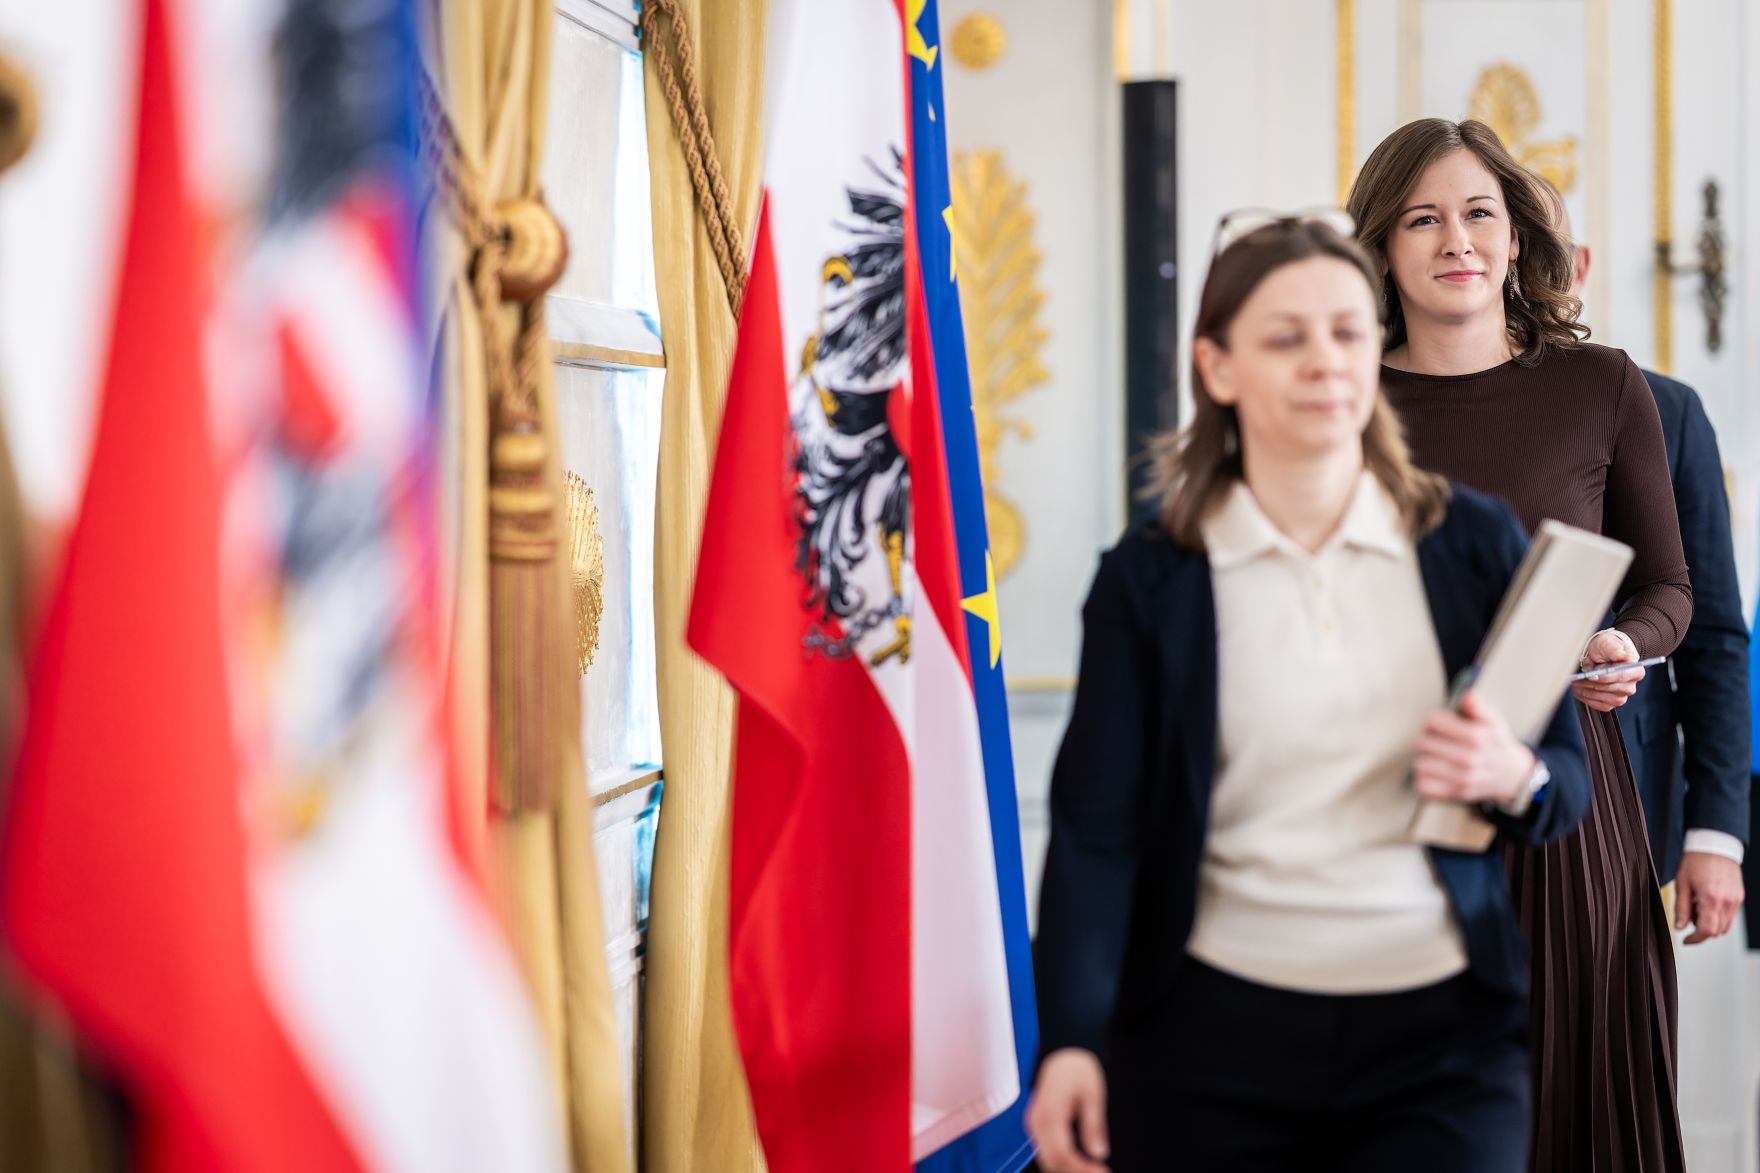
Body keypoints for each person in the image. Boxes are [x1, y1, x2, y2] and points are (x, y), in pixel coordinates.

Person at [1026, 213, 1590, 1173]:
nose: (1326, 361)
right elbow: (1097, 833)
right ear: (1218, 367)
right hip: (1209, 1039)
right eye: (1287, 338)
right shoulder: (1150, 578)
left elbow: (1563, 781)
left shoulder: (1474, 543)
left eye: (1348, 332)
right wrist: (1072, 1037)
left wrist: (1512, 773)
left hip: (1443, 1041)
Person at [1347, 118, 1692, 1172]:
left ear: (1513, 236)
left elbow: (1669, 589)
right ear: (1382, 247)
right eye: (1422, 218)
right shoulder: (1340, 399)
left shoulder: (1602, 387)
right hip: (1382, 797)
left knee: (1577, 1101)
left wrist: (1622, 643)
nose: (1456, 239)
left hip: (1568, 800)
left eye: (1478, 213)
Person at [1547, 194, 1748, 939]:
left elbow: (1714, 633)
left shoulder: (1670, 411)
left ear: (1579, 266)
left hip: (1633, 801)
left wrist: (1716, 832)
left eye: (1545, 254)